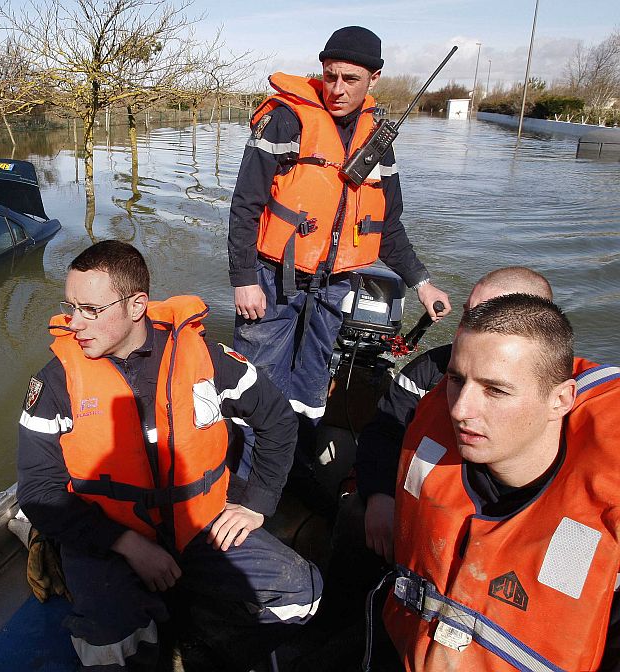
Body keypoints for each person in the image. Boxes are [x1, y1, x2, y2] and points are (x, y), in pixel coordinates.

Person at [17, 240, 322, 671]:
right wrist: (127, 544)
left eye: (91, 310)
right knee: (108, 639)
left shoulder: (207, 361)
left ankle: (199, 647)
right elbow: (37, 490)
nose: (75, 324)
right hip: (108, 539)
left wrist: (258, 503)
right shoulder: (54, 383)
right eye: (71, 308)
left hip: (198, 525)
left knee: (302, 591)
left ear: (136, 305)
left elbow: (277, 419)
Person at [226, 25, 451, 501]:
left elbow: (387, 228)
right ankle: (245, 483)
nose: (338, 89)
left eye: (351, 79)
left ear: (374, 79)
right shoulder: (285, 121)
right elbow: (245, 206)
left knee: (311, 388)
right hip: (272, 279)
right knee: (258, 383)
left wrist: (423, 284)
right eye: (330, 76)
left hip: (334, 286)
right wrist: (244, 278)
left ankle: (293, 471)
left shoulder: (379, 142)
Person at [379, 294, 620, 671]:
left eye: (495, 390)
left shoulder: (602, 516)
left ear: (560, 400)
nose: (460, 410)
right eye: (456, 380)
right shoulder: (432, 442)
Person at [355, 267, 553, 563]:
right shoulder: (427, 372)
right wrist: (379, 494)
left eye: (496, 390)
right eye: (467, 314)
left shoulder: (555, 393)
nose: (461, 409)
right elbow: (385, 431)